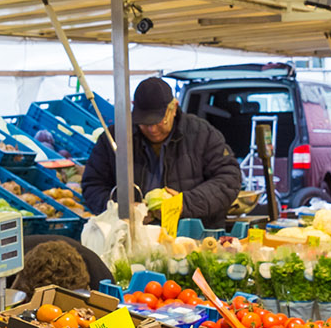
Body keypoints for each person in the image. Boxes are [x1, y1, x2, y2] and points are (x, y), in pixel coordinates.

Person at [80, 77, 243, 228]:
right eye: (144, 122)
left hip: (191, 236)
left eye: (159, 120)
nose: (152, 129)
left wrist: (184, 204)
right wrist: (121, 208)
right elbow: (92, 184)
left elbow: (229, 179)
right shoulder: (115, 138)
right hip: (132, 235)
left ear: (174, 108)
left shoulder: (202, 134)